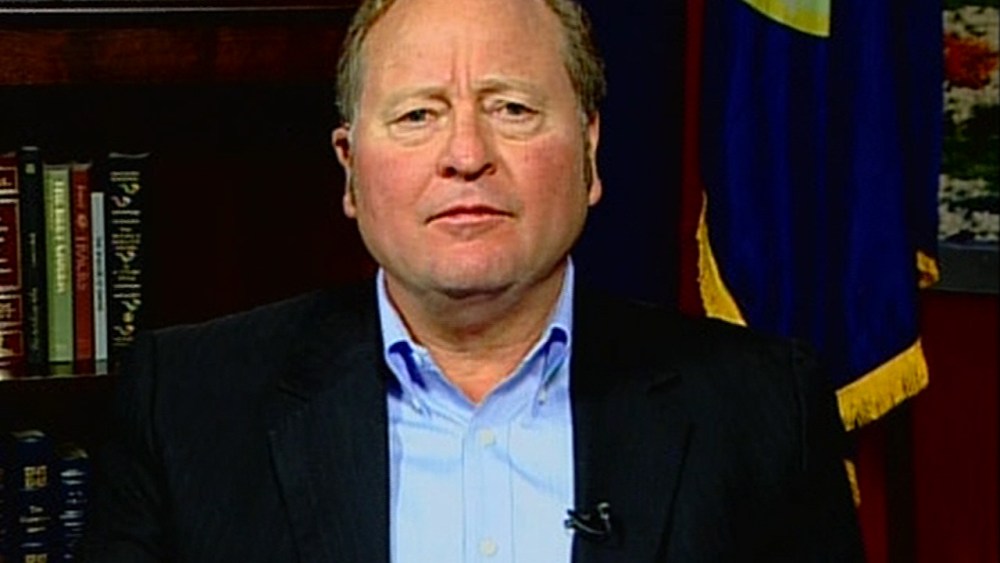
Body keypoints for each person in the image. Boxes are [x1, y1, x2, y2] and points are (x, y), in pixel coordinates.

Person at [80, 0, 865, 561]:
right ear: (350, 170)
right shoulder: (190, 404)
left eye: (512, 108)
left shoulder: (760, 407)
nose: (466, 155)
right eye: (417, 116)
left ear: (590, 153)